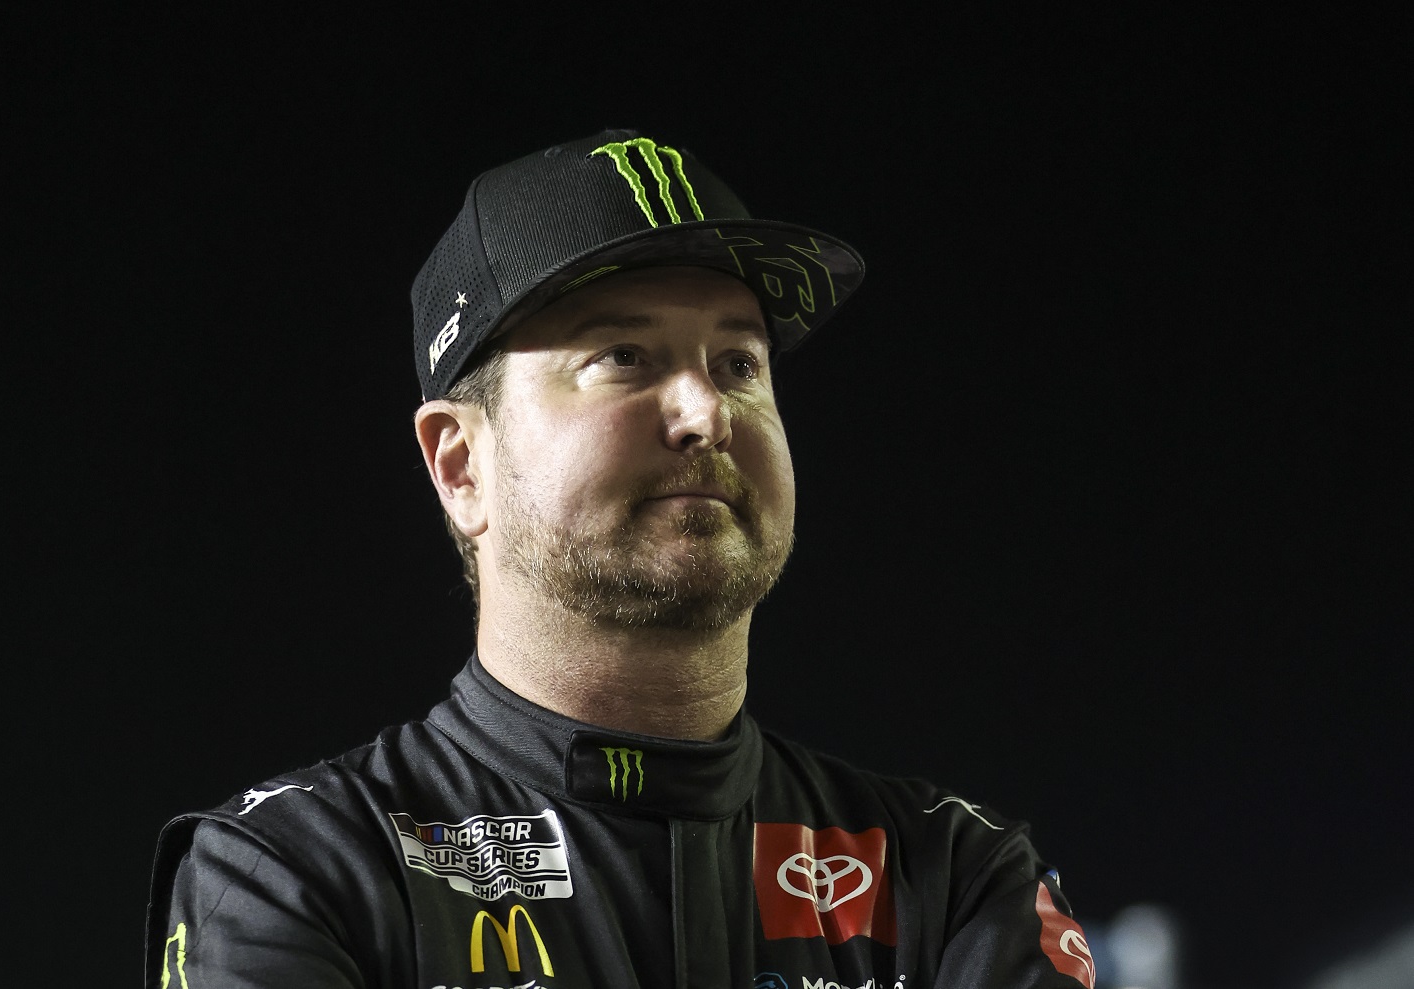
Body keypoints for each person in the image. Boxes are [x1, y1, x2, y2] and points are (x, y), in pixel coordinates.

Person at [144, 129, 1095, 989]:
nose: (706, 412)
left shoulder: (955, 872)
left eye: (739, 363)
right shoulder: (293, 871)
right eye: (625, 357)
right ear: (461, 464)